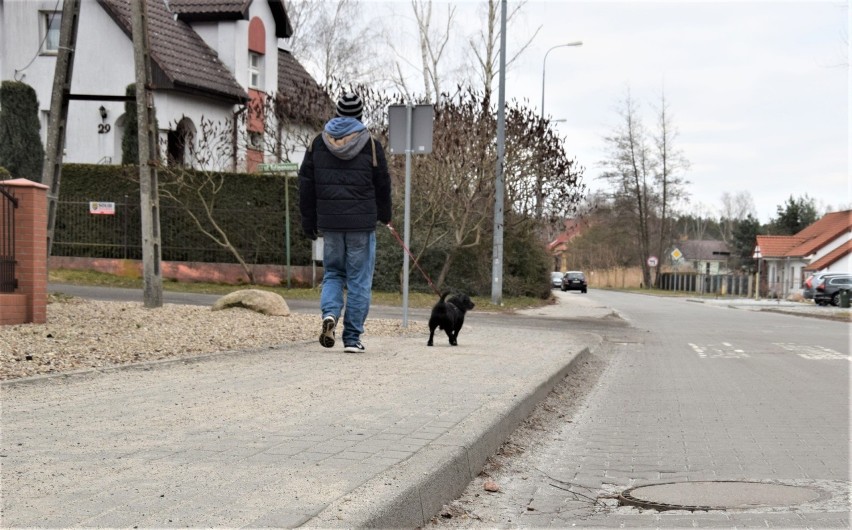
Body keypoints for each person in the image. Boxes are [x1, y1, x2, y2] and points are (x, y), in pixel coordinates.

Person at [298, 91, 392, 353]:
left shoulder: (317, 143)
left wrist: (309, 221)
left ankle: (329, 315)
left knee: (333, 274)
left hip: (330, 224)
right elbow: (383, 184)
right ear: (360, 115)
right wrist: (385, 215)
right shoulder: (371, 144)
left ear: (337, 113)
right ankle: (351, 339)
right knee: (359, 280)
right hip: (361, 225)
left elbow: (305, 186)